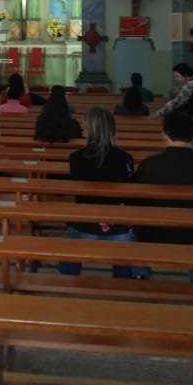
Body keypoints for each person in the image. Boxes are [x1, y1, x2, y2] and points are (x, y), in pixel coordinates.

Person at [134, 112, 193, 283]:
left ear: (164, 135)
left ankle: (141, 274)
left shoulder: (148, 165)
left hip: (153, 233)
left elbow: (136, 203)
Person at [60, 108, 142, 278]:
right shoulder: (124, 157)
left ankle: (68, 280)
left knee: (70, 244)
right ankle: (123, 279)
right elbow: (128, 192)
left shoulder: (76, 157)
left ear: (90, 129)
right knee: (126, 244)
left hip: (84, 223)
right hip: (117, 225)